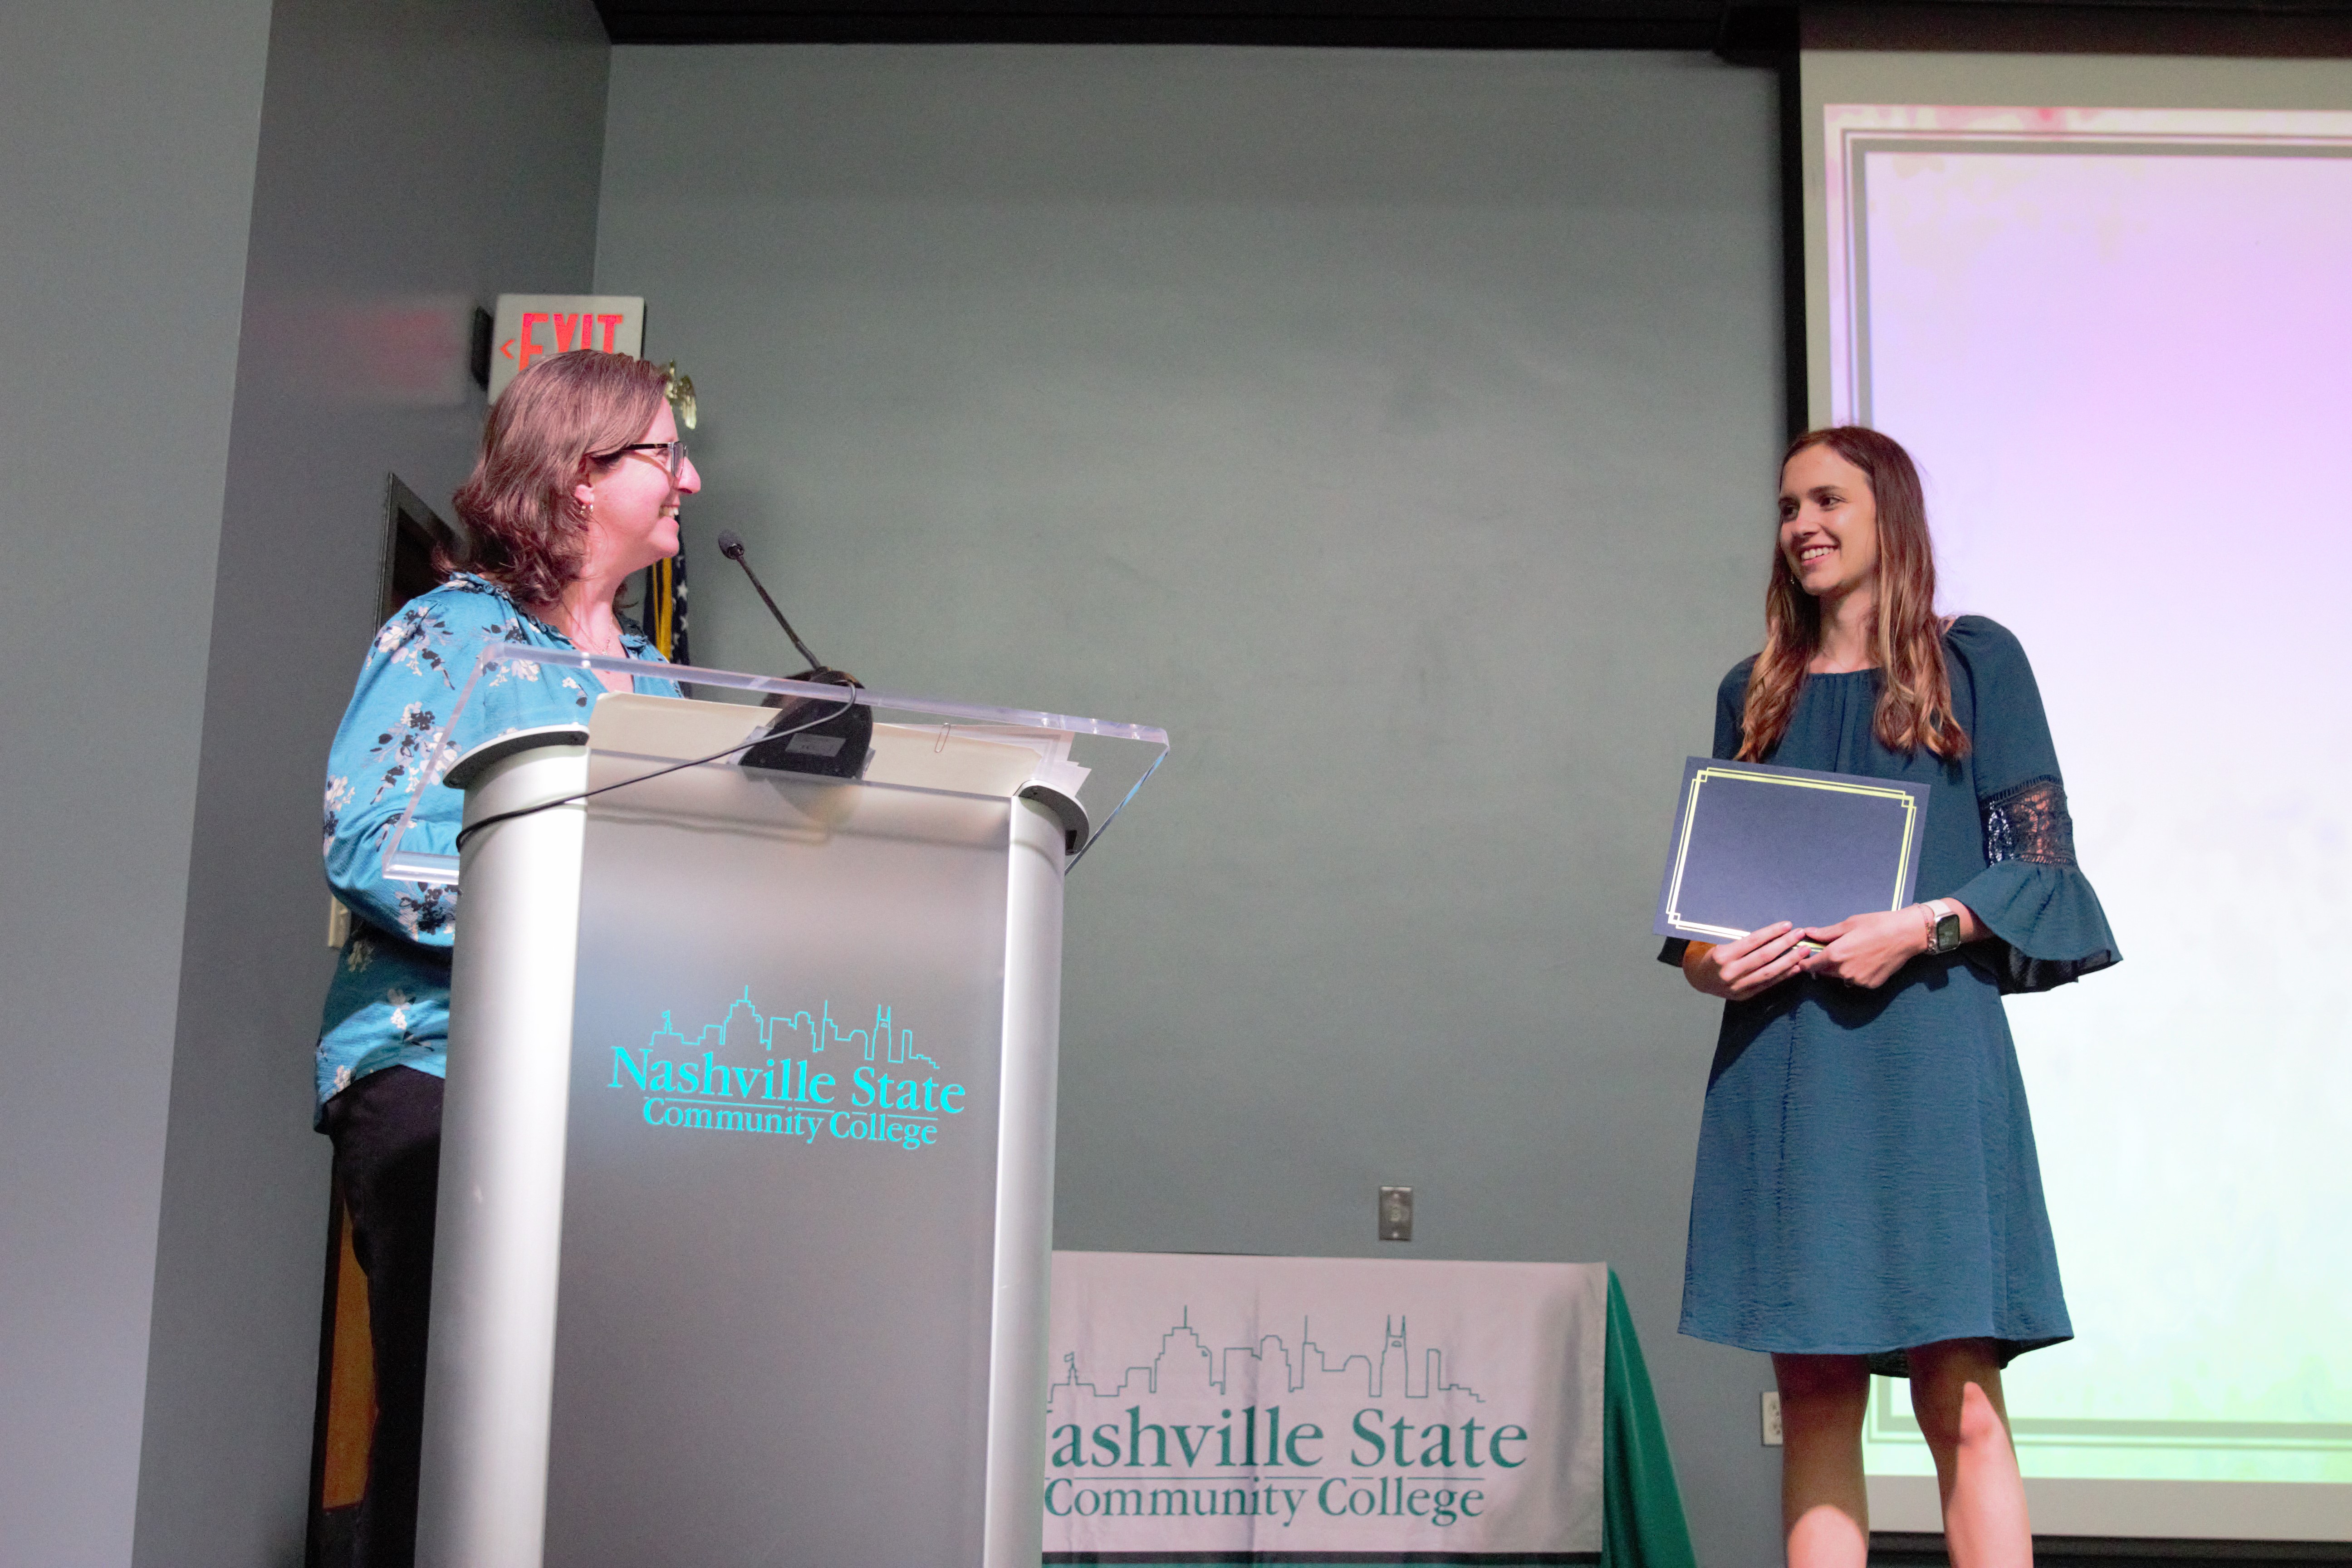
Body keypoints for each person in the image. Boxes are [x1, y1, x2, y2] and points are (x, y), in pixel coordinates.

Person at [1662, 427, 2118, 1568]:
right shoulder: (1751, 692)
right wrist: (1716, 965)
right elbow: (1698, 926)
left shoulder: (1976, 665)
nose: (1803, 525)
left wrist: (1922, 926)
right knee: (1814, 1389)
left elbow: (2042, 869)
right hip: (1785, 1060)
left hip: (1927, 1051)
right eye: (1786, 508)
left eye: (1828, 501)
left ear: (1889, 516)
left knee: (1959, 1393)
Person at [314, 350, 697, 1567]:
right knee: (451, 1433)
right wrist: (565, 898)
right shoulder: (454, 635)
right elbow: (371, 841)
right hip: (440, 1080)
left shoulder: (661, 687)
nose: (692, 477)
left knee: (595, 1445)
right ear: (582, 477)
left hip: (616, 1107)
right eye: (663, 454)